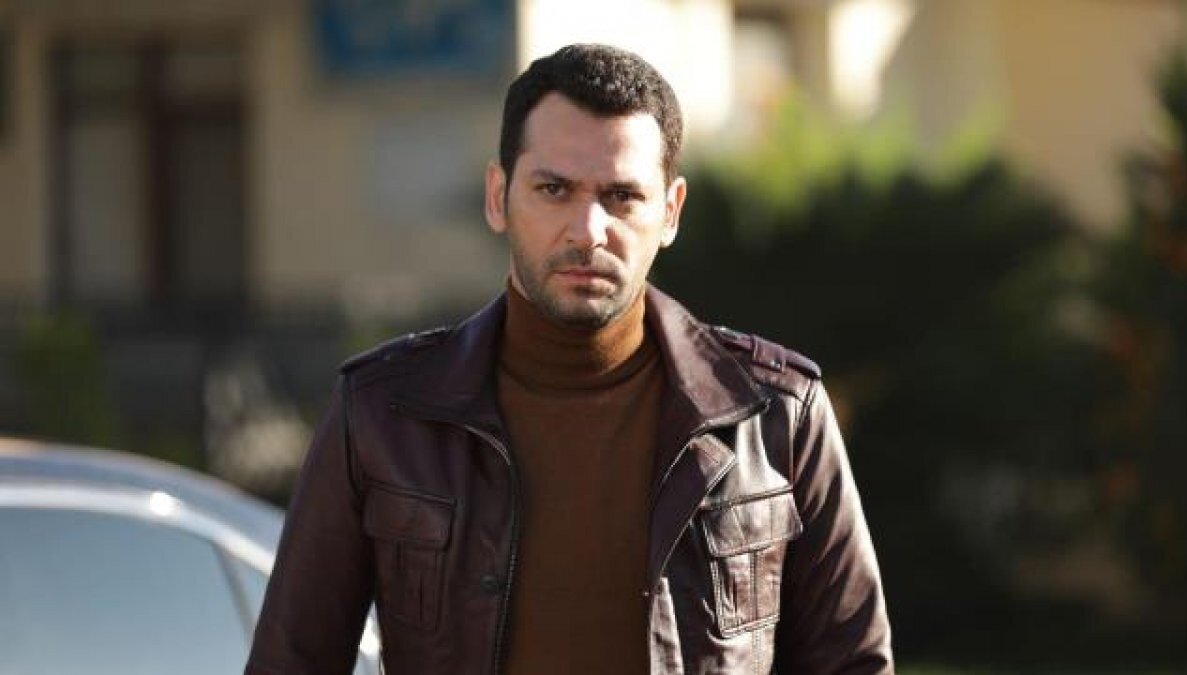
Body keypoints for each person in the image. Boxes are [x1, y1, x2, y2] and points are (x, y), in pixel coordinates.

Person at [245, 43, 892, 675]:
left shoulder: (775, 414)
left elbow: (852, 662)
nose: (588, 231)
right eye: (554, 189)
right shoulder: (382, 414)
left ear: (670, 212)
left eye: (622, 196)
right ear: (498, 196)